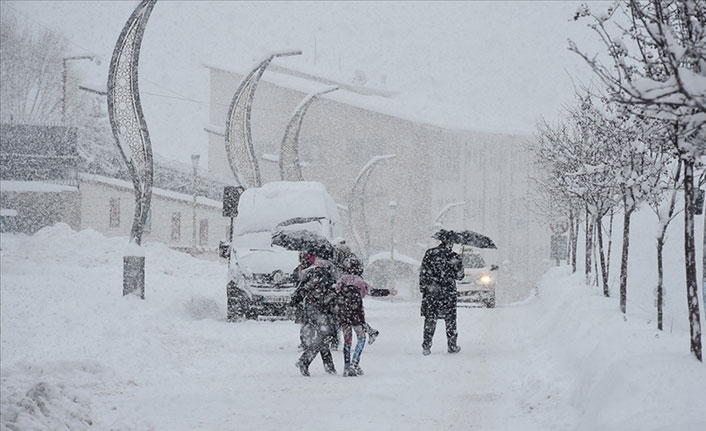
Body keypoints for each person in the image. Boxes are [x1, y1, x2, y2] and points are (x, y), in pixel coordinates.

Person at [334, 256, 396, 376]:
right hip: (357, 315)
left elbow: (334, 292)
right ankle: (355, 362)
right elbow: (373, 292)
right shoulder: (360, 282)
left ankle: (346, 367)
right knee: (361, 338)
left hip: (343, 315)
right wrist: (388, 291)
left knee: (347, 342)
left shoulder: (341, 280)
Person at [290, 249, 338, 376]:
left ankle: (329, 367)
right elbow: (333, 292)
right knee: (324, 338)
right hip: (321, 311)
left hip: (312, 310)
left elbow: (300, 291)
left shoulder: (309, 273)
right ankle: (305, 361)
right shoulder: (325, 274)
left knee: (323, 338)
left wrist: (295, 302)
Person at [419, 235, 464, 355]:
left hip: (432, 292)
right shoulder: (454, 256)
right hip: (448, 292)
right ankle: (452, 345)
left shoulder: (430, 253)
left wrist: (424, 288)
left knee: (430, 319)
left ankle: (426, 345)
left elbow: (423, 272)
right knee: (450, 320)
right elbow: (459, 276)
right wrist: (459, 266)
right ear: (450, 243)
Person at [332, 241, 381, 344]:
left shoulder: (347, 261)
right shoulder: (346, 261)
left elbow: (352, 273)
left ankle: (334, 340)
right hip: (350, 292)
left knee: (346, 317)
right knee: (353, 317)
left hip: (347, 292)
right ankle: (370, 331)